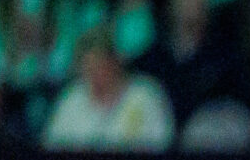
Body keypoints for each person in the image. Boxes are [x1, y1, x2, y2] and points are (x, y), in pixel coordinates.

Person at [40, 30, 174, 150]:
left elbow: (162, 145)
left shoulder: (145, 96)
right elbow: (52, 145)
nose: (95, 76)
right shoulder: (72, 99)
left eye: (99, 67)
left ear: (115, 62)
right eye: (88, 69)